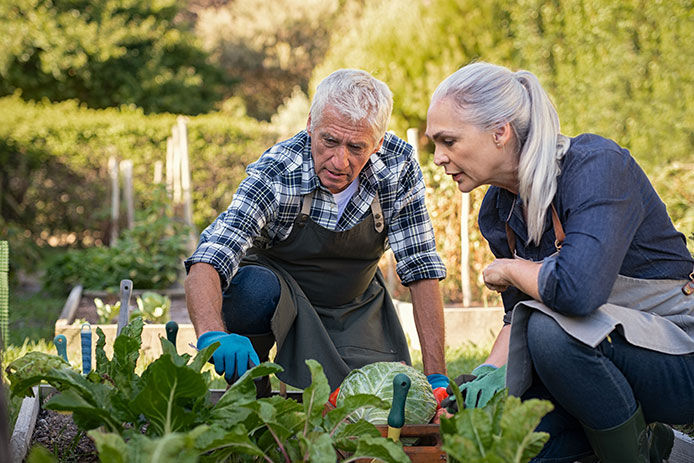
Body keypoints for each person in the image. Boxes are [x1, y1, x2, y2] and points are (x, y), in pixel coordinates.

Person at [426, 61, 694, 462]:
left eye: (448, 141)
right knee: (512, 445)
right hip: (594, 358)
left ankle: (641, 453)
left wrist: (511, 268)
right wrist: (484, 378)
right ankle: (664, 448)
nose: (438, 158)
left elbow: (577, 291)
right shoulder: (497, 210)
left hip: (678, 356)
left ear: (500, 133)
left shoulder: (596, 166)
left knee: (551, 335)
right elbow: (518, 316)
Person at [185, 69, 449, 398]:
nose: (340, 161)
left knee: (366, 404)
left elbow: (420, 266)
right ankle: (250, 395)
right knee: (250, 289)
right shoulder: (279, 171)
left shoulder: (398, 166)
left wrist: (437, 376)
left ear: (378, 143)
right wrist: (213, 335)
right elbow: (211, 256)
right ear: (311, 123)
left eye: (356, 147)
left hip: (355, 304)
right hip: (281, 297)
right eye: (329, 141)